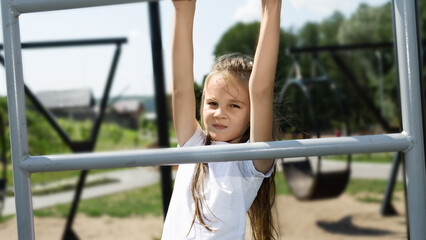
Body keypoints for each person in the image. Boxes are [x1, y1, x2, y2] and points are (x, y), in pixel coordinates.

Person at [162, 0, 281, 239]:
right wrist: (183, 10)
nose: (219, 113)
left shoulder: (251, 162)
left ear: (251, 115)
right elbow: (181, 88)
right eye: (212, 103)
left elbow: (261, 90)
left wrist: (271, 7)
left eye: (234, 105)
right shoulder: (192, 145)